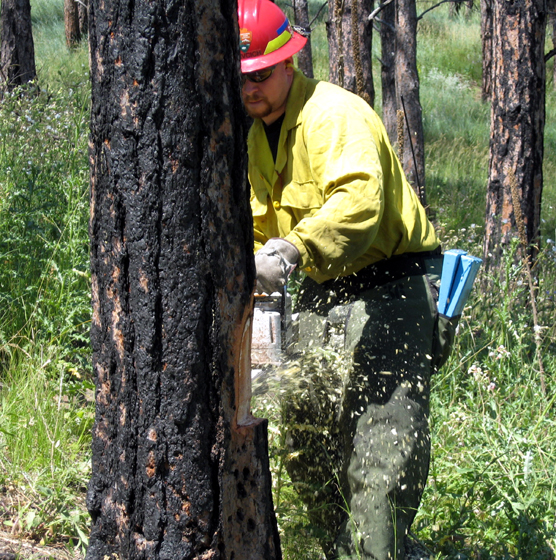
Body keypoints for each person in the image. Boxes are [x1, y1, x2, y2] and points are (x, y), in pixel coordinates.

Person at [238, 1, 451, 558]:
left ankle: (381, 551)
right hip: (322, 286)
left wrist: (288, 249)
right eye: (242, 78)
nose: (251, 86)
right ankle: (343, 551)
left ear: (289, 63)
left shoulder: (335, 115)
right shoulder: (259, 136)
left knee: (379, 455)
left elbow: (359, 203)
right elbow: (262, 220)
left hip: (392, 284)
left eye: (260, 73)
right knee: (305, 447)